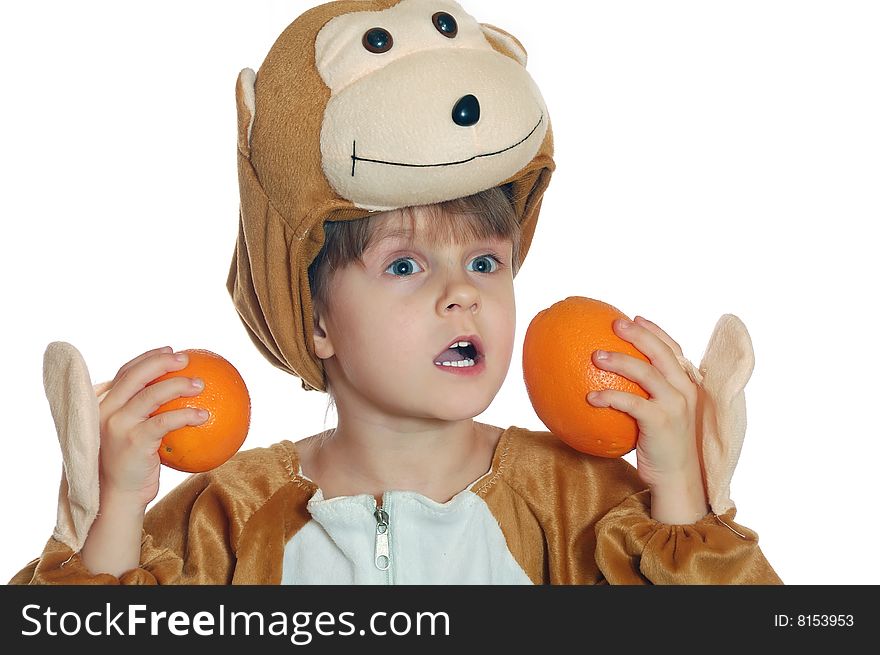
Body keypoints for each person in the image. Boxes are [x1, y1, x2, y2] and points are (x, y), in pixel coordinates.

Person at [10, 0, 780, 585]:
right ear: (317, 318)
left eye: (485, 263)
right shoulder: (229, 515)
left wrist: (678, 487)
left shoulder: (577, 500)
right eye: (406, 266)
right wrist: (116, 507)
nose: (462, 295)